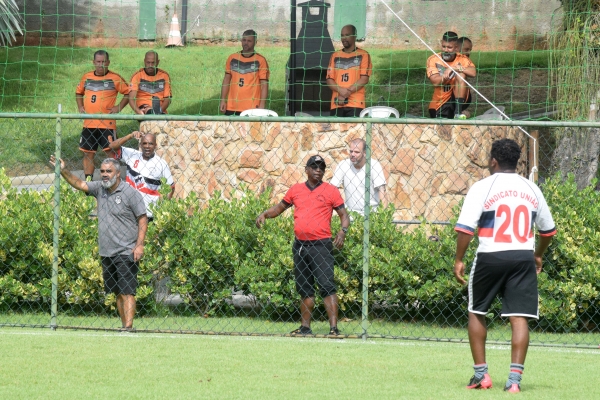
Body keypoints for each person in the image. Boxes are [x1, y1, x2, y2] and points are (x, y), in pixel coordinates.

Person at [453, 138, 557, 393]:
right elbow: (547, 232)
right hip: (522, 257)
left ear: (494, 161)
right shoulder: (532, 188)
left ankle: (482, 376)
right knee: (519, 318)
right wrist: (538, 255)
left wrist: (459, 259)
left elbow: (465, 230)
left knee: (477, 311)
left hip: (490, 256)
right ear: (518, 162)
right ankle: (513, 382)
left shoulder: (482, 187)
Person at [49, 156, 148, 331]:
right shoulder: (99, 189)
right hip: (107, 252)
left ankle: (129, 327)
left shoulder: (130, 193)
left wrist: (139, 245)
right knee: (117, 291)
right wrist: (63, 169)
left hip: (126, 250)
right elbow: (80, 184)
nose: (104, 175)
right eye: (102, 171)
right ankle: (124, 326)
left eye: (108, 171)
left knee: (127, 291)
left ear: (118, 174)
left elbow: (142, 219)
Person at [256, 155, 350, 336]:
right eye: (314, 167)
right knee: (305, 288)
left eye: (321, 167)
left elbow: (344, 215)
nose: (318, 170)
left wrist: (342, 232)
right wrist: (265, 214)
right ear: (306, 170)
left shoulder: (331, 191)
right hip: (300, 247)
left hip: (321, 246)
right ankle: (305, 328)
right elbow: (279, 208)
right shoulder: (296, 190)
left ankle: (333, 329)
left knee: (326, 286)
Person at [76, 50, 131, 181]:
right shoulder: (86, 77)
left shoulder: (115, 78)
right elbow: (78, 93)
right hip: (89, 124)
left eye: (103, 62)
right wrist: (80, 106)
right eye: (98, 62)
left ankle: (112, 182)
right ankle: (88, 184)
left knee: (110, 153)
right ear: (93, 62)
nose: (101, 65)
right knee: (88, 154)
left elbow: (128, 93)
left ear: (108, 62)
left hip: (107, 124)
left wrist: (119, 107)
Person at [108, 131, 175, 221]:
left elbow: (171, 187)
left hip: (150, 213)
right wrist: (130, 135)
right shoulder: (132, 155)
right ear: (140, 145)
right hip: (130, 211)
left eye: (150, 144)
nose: (147, 146)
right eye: (144, 143)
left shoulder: (161, 164)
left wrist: (162, 209)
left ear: (155, 145)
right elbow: (112, 147)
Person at [330, 138, 388, 215]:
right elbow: (332, 189)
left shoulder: (374, 165)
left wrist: (382, 218)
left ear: (364, 153)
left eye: (356, 152)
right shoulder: (343, 165)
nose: (353, 154)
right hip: (350, 214)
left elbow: (382, 192)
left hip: (372, 213)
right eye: (351, 151)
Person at [426, 31, 476, 119]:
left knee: (461, 75)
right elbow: (435, 82)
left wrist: (454, 68)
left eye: (449, 47)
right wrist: (445, 77)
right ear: (441, 44)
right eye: (443, 46)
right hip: (440, 102)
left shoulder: (462, 58)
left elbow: (473, 72)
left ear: (456, 48)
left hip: (459, 98)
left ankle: (458, 112)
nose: (445, 50)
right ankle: (460, 114)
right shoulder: (433, 59)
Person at [219, 29, 270, 115]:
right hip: (232, 106)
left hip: (252, 108)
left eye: (249, 41)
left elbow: (264, 85)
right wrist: (223, 100)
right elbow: (226, 80)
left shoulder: (260, 60)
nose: (246, 43)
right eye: (244, 40)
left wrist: (262, 106)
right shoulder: (232, 58)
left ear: (255, 42)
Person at [326, 25, 372, 117]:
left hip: (356, 104)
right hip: (337, 103)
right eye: (342, 35)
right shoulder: (335, 55)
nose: (344, 38)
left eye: (347, 35)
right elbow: (329, 80)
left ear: (354, 36)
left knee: (354, 131)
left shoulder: (364, 55)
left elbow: (364, 79)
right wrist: (341, 91)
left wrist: (347, 93)